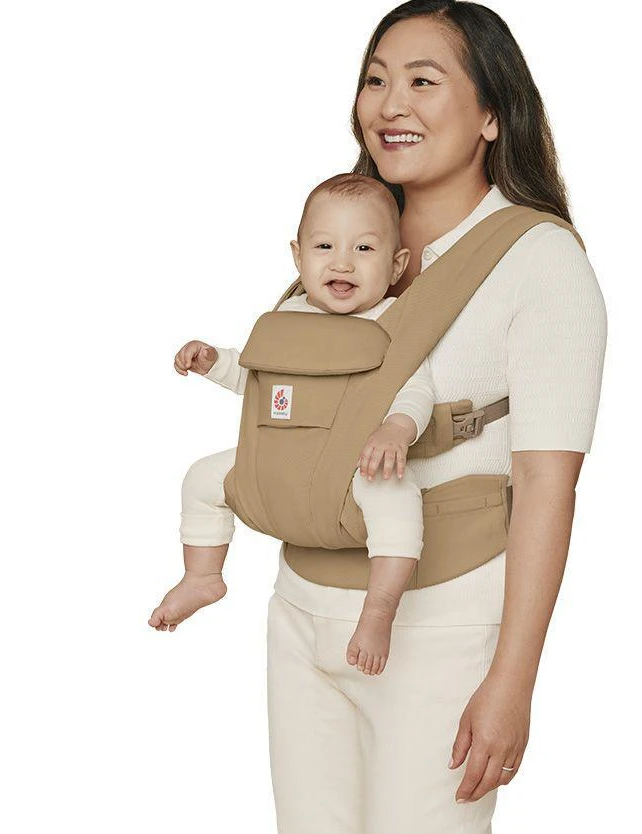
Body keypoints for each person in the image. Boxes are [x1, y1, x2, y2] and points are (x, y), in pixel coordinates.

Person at [263, 3, 607, 834]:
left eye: (424, 80)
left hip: (445, 618)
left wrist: (512, 679)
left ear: (494, 111)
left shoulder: (537, 261)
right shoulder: (344, 240)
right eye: (376, 78)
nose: (390, 103)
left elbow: (548, 483)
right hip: (303, 609)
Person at [148, 174, 441, 674]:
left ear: (396, 265)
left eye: (364, 248)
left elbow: (416, 388)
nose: (342, 262)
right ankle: (202, 576)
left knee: (397, 498)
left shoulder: (391, 324)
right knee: (202, 478)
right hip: (275, 465)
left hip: (349, 472)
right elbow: (258, 379)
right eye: (325, 246)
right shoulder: (286, 317)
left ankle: (379, 607)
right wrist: (214, 361)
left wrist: (397, 428)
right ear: (297, 256)